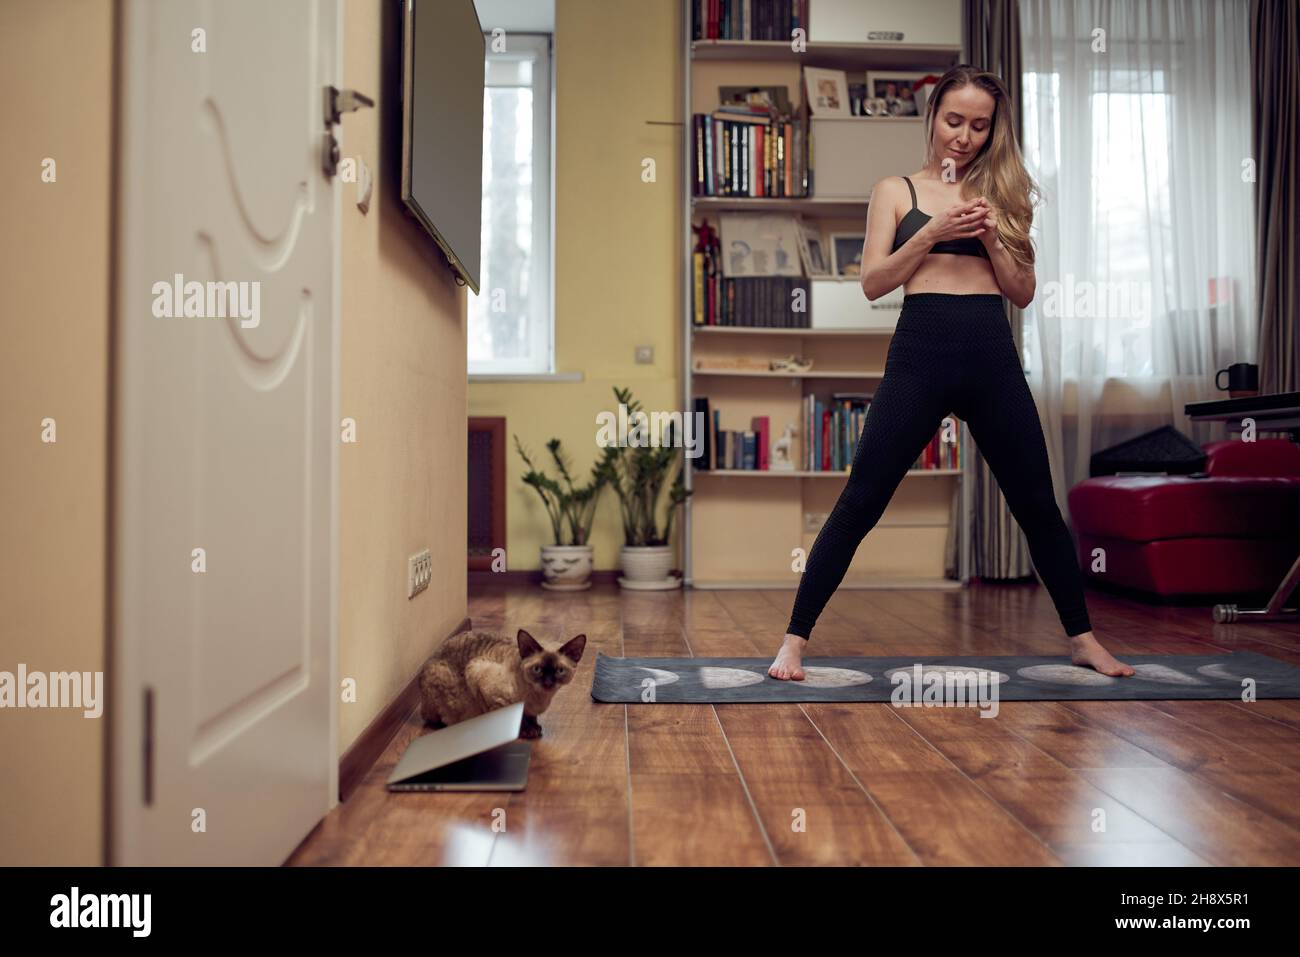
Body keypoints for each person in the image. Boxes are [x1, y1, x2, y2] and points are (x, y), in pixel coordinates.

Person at [768, 64, 1135, 682]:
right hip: (920, 352)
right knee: (862, 499)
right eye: (954, 121)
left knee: (1038, 506)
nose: (963, 137)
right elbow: (873, 282)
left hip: (990, 355)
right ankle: (793, 643)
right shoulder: (895, 191)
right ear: (934, 117)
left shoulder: (1007, 195)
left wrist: (993, 238)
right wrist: (933, 233)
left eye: (979, 126)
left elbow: (1021, 293)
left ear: (994, 132)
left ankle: (1083, 639)